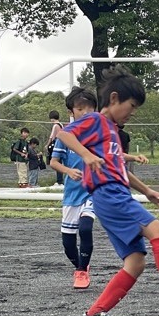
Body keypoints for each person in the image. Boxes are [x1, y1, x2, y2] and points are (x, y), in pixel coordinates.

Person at [54, 67, 159, 316]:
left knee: (135, 262)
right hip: (109, 194)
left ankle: (95, 313)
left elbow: (120, 170)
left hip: (113, 195)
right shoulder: (96, 120)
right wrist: (87, 155)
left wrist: (147, 191)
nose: (133, 112)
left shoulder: (112, 130)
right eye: (132, 105)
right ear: (114, 98)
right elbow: (63, 134)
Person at [50, 88, 100, 289]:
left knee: (86, 228)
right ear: (71, 112)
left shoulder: (99, 133)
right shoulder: (65, 135)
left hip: (93, 191)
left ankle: (81, 272)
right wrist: (68, 171)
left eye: (90, 108)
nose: (85, 112)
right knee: (68, 245)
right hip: (72, 194)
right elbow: (53, 162)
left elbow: (112, 155)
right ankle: (81, 265)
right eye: (80, 109)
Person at [46, 110, 63, 185]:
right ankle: (60, 180)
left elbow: (52, 137)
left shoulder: (55, 125)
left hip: (56, 145)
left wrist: (47, 145)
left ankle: (59, 181)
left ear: (52, 118)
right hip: (62, 145)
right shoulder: (61, 125)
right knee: (60, 163)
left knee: (56, 162)